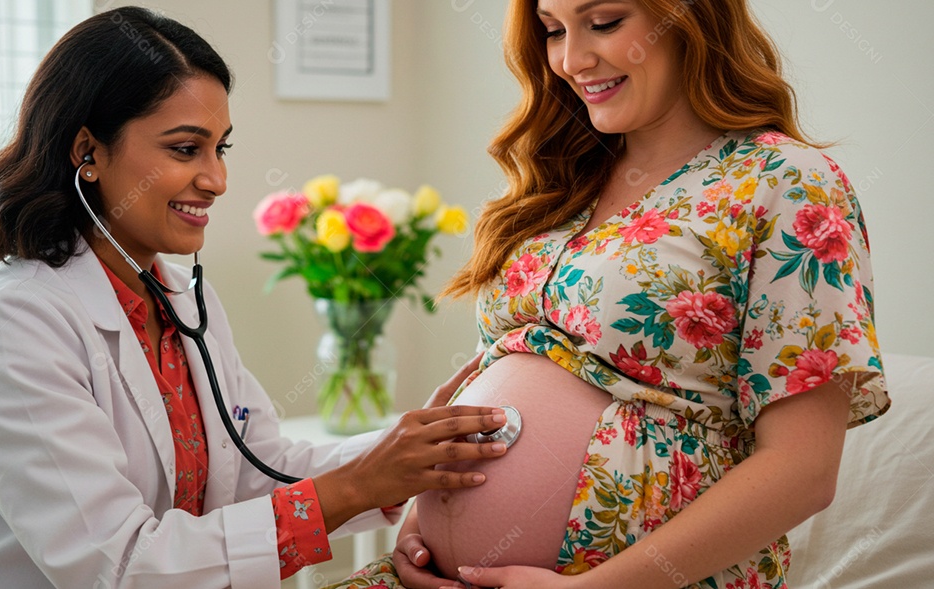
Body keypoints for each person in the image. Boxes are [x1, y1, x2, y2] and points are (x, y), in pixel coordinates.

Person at [0, 8, 511, 589]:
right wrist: (357, 485)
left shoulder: (182, 298)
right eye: (184, 148)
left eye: (219, 149)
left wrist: (405, 451)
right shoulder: (13, 323)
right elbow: (118, 567)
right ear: (87, 152)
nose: (217, 180)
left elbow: (259, 467)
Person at [327, 0, 889, 588]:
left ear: (689, 17)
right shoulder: (558, 181)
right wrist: (421, 527)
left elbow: (803, 470)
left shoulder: (785, 181)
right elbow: (490, 382)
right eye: (552, 31)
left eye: (604, 23)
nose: (571, 60)